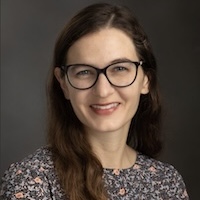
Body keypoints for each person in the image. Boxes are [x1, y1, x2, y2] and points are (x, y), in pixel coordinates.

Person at [0, 3, 189, 200]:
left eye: (120, 68)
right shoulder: (31, 181)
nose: (103, 91)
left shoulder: (168, 183)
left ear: (145, 80)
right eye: (84, 72)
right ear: (63, 83)